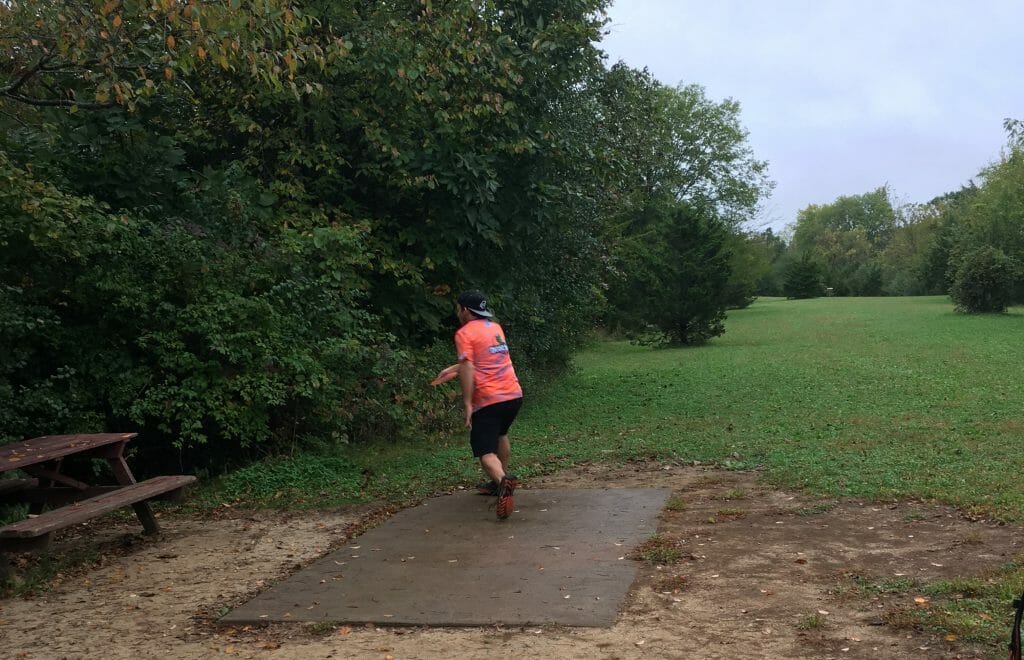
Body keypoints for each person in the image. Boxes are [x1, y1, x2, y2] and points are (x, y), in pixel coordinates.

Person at [433, 290, 523, 520]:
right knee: (501, 434)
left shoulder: (464, 333)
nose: (457, 313)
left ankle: (504, 482)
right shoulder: (494, 328)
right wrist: (453, 368)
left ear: (465, 310)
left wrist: (467, 403)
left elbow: (469, 368)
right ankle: (498, 483)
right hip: (513, 395)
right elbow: (484, 358)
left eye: (457, 308)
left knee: (485, 451)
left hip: (489, 399)